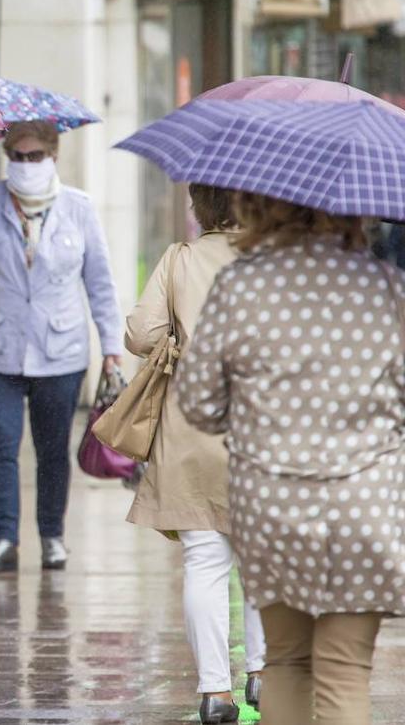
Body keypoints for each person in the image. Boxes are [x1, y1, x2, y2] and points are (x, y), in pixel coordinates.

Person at [177, 191, 405, 725]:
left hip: (276, 504)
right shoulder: (385, 289)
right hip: (363, 504)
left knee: (286, 663)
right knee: (346, 669)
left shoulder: (242, 286)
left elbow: (199, 404)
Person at [0, 120, 123, 573]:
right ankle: (4, 538)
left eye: (35, 156)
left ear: (53, 156)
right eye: (18, 157)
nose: (26, 165)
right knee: (1, 444)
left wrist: (111, 347)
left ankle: (52, 536)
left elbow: (100, 283)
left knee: (51, 448)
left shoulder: (78, 208)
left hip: (59, 349)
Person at [124, 185, 264, 724]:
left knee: (205, 561)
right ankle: (263, 674)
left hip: (192, 428)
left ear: (200, 207)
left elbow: (141, 333)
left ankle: (215, 693)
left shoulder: (178, 260)